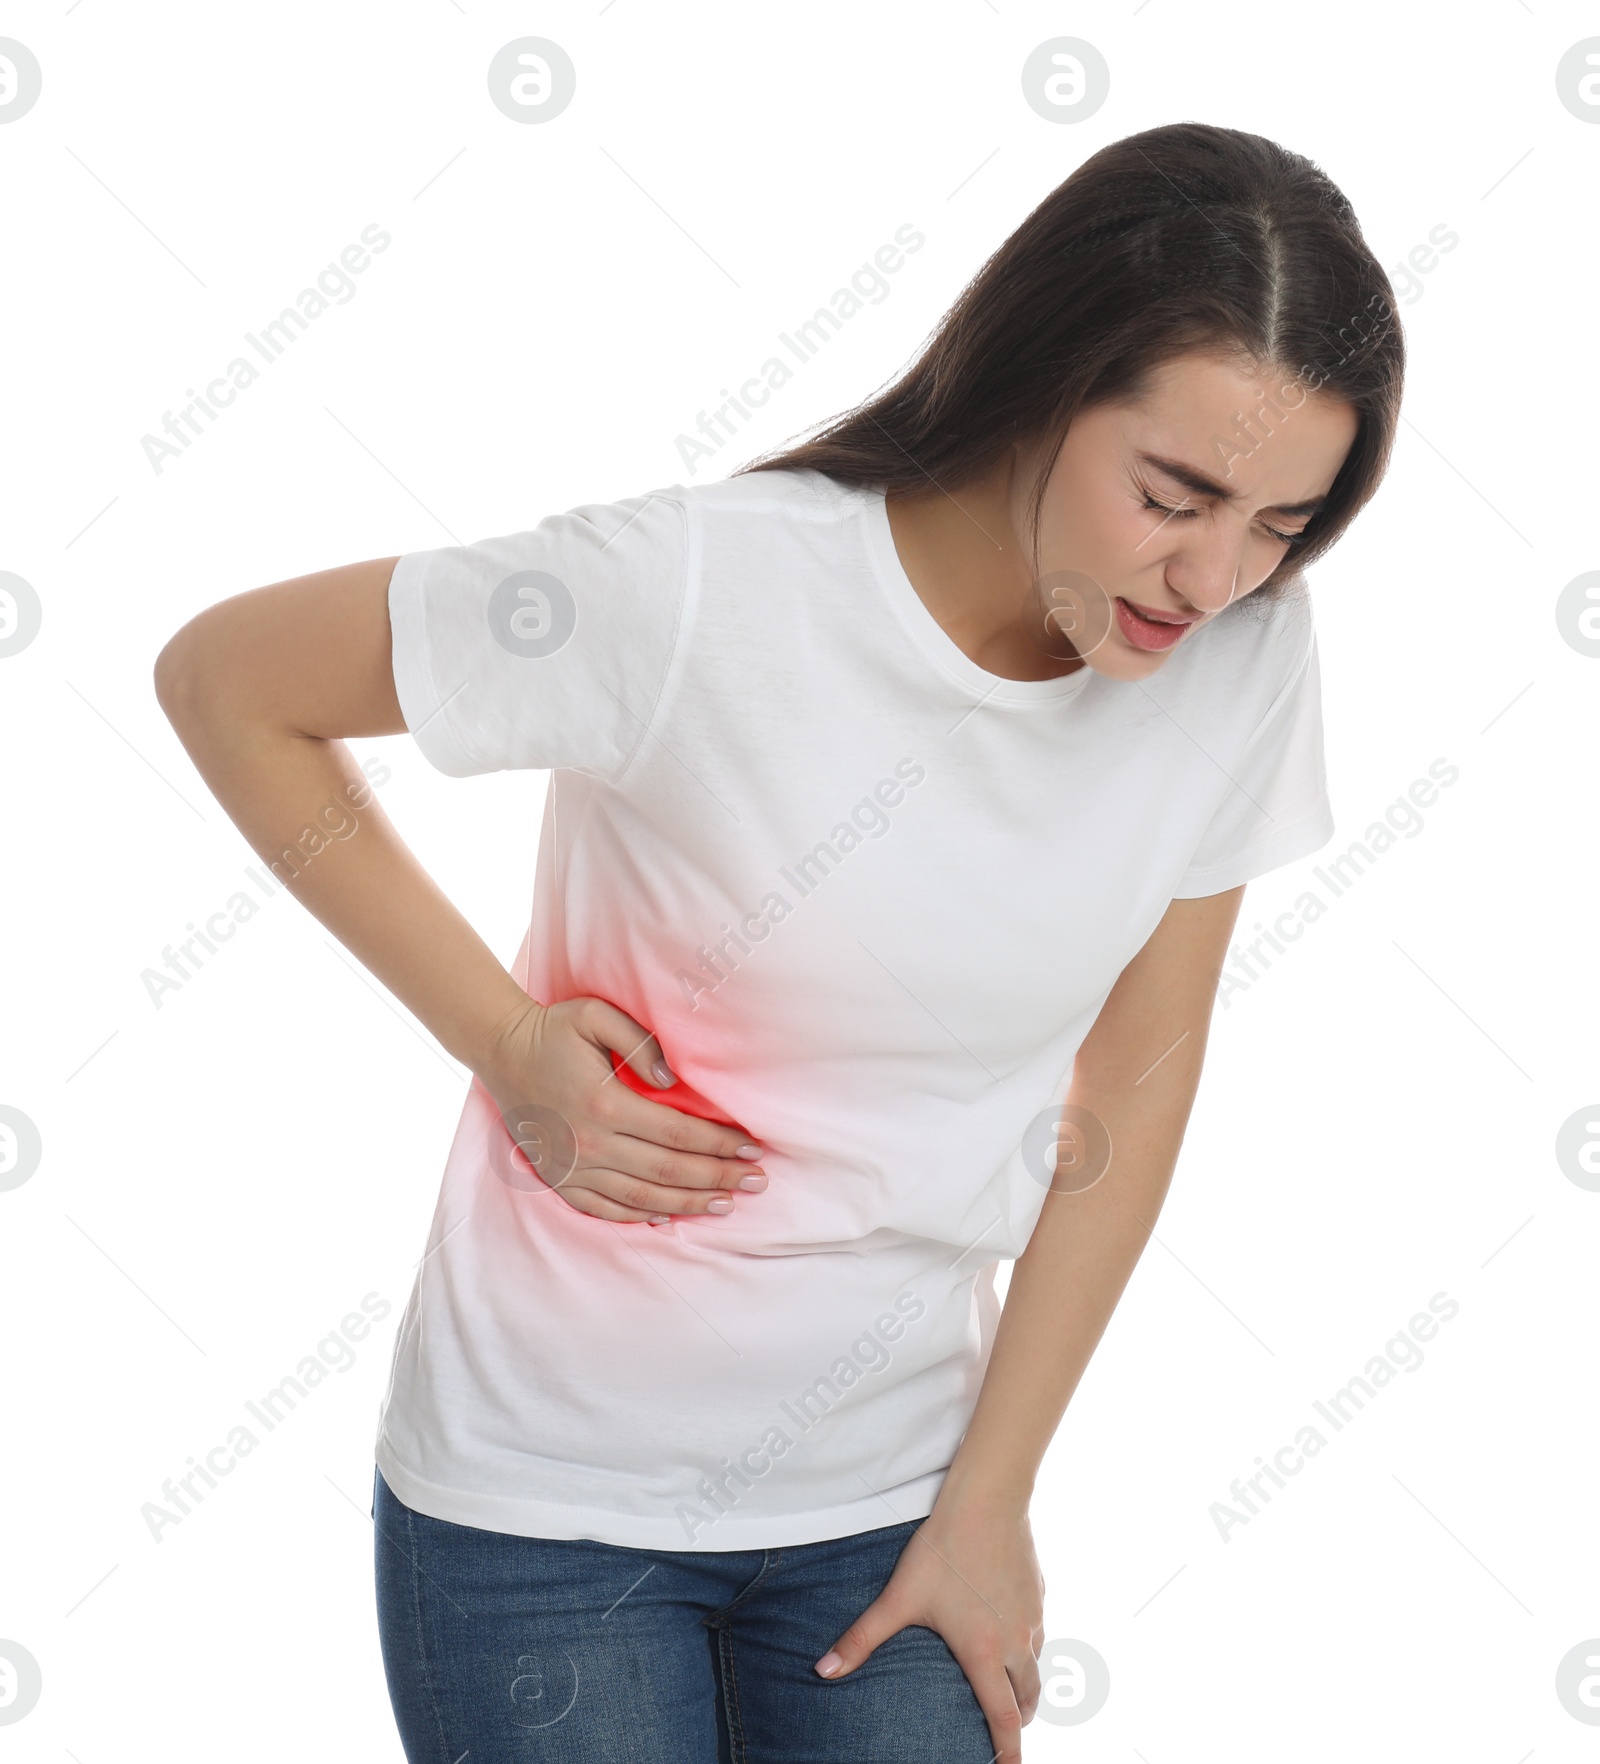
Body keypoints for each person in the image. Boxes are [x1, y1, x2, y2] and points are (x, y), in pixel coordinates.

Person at [154, 121, 1402, 1763]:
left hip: (894, 1505)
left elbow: (1139, 1078)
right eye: (1175, 496)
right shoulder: (697, 591)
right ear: (1043, 385)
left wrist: (993, 1502)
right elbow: (227, 681)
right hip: (546, 1517)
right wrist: (503, 1038)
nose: (1217, 574)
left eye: (1283, 526)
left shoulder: (1243, 650)